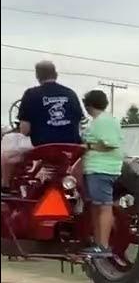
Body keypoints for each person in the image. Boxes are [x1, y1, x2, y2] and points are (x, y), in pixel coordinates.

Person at [79, 90, 123, 257]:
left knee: (104, 206)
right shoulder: (105, 120)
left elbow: (110, 144)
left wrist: (88, 147)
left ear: (88, 105)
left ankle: (103, 246)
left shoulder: (103, 121)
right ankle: (98, 243)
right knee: (97, 206)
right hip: (98, 168)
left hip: (102, 168)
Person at [17, 61, 83, 147]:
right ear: (56, 74)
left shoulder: (30, 94)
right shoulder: (71, 93)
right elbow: (78, 122)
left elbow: (25, 130)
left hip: (43, 149)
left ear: (37, 76)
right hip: (71, 149)